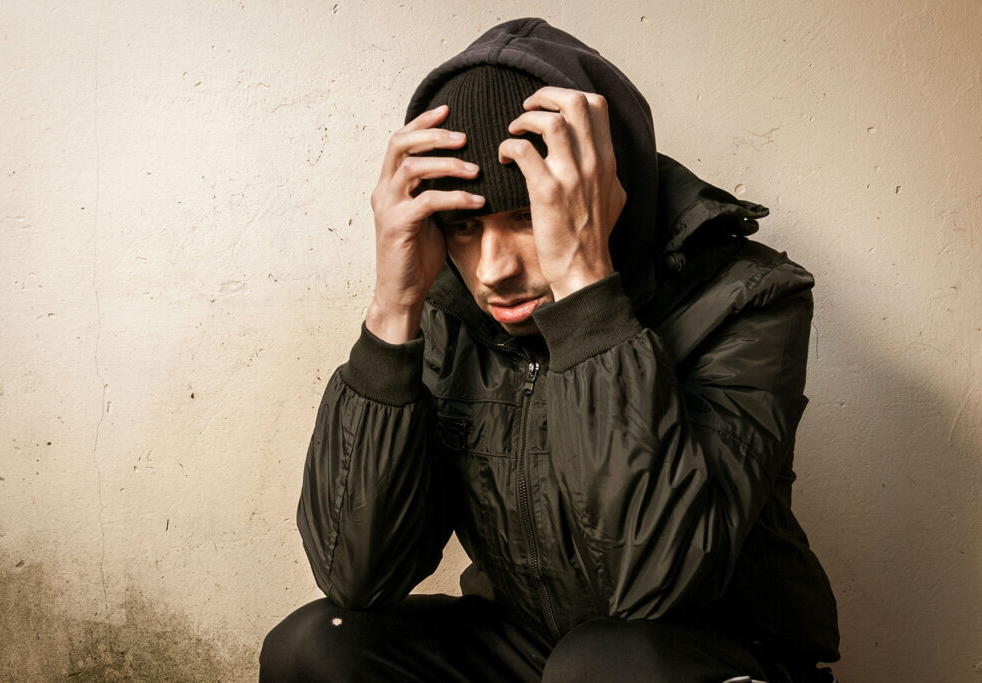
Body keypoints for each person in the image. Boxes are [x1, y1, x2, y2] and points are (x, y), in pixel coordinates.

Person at [261, 17, 839, 683]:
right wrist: (396, 304)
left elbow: (658, 580)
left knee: (602, 664)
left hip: (697, 654)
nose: (493, 269)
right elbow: (355, 573)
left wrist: (586, 292)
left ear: (600, 196)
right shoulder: (453, 314)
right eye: (463, 226)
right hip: (534, 648)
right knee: (314, 646)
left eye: (527, 216)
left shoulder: (745, 299)